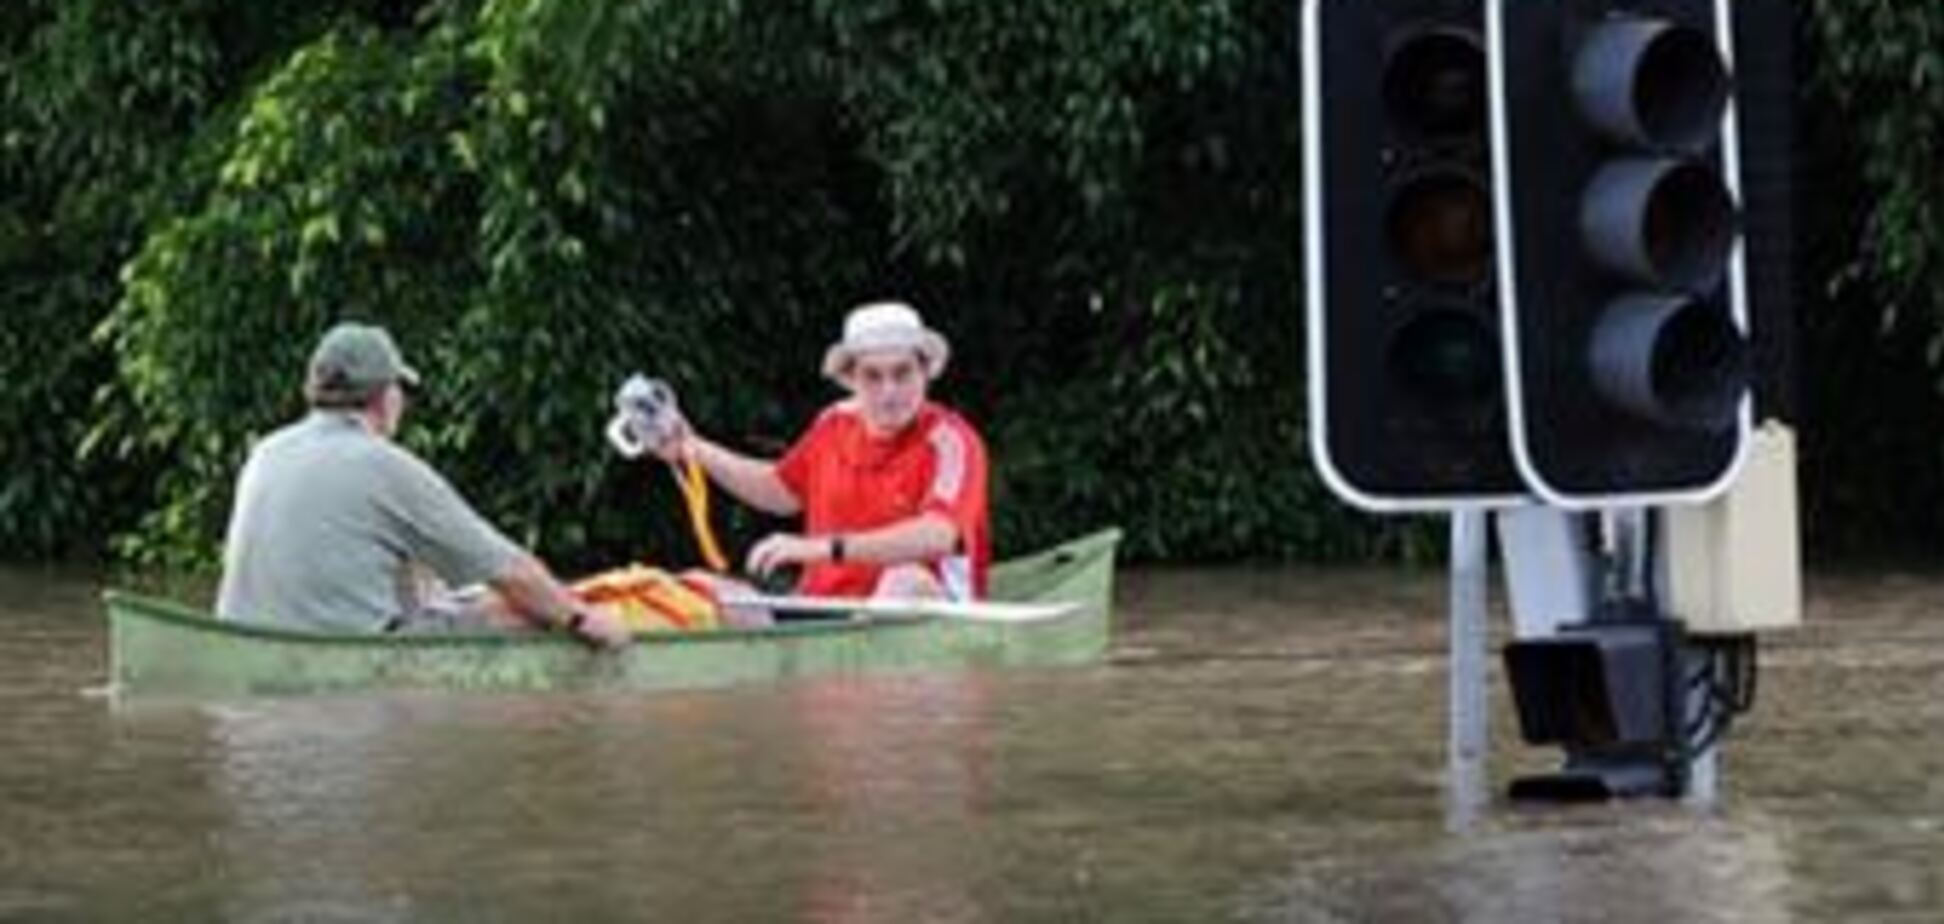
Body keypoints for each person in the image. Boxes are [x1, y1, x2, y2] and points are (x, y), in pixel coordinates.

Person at [216, 322, 629, 648]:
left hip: (246, 639)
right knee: (525, 606)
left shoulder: (266, 450)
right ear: (384, 398)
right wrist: (581, 618)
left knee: (440, 593)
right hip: (349, 653)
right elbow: (507, 569)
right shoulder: (384, 465)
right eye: (399, 388)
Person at [649, 301, 990, 601]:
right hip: (825, 604)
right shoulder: (832, 423)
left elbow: (938, 536)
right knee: (703, 588)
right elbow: (779, 490)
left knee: (904, 581)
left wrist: (822, 549)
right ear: (850, 379)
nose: (890, 392)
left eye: (903, 374)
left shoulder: (952, 440)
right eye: (873, 376)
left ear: (926, 373)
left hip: (923, 606)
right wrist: (691, 449)